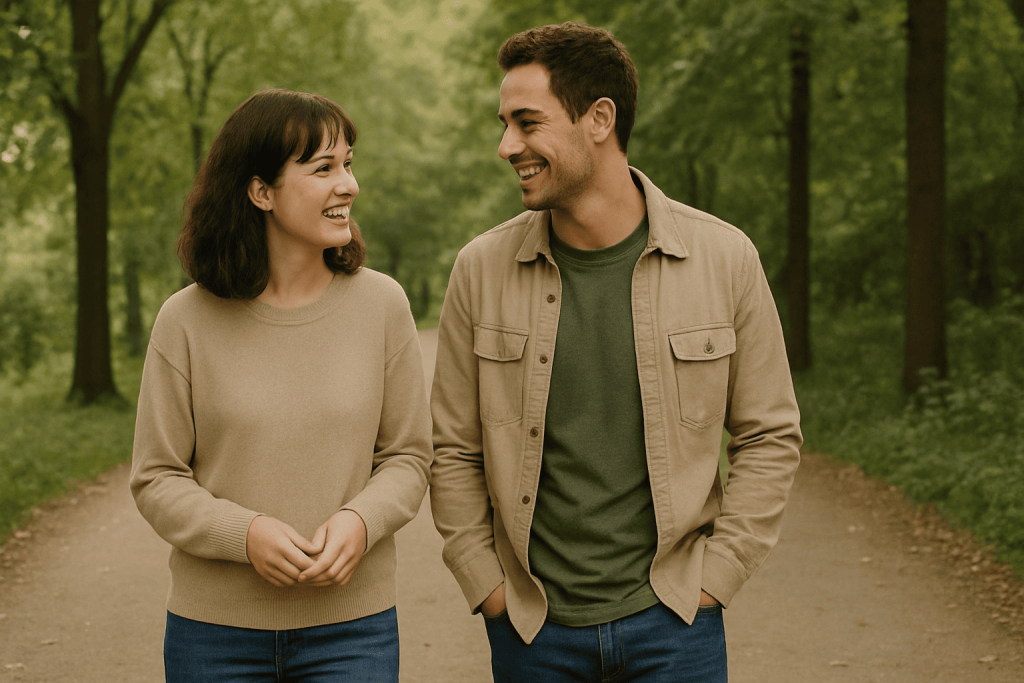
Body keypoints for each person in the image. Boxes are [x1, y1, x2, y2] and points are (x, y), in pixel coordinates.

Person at [429, 22, 802, 682]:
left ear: (599, 118)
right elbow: (453, 447)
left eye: (526, 122)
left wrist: (718, 576)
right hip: (533, 630)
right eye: (504, 123)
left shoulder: (724, 257)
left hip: (676, 625)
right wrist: (484, 582)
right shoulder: (480, 270)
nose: (505, 145)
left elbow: (769, 433)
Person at [130, 89, 432, 682]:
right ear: (261, 191)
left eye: (348, 163)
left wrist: (360, 522)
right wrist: (245, 534)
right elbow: (156, 477)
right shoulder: (185, 320)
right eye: (324, 168)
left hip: (354, 633)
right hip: (213, 637)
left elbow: (408, 457)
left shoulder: (382, 305)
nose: (348, 184)